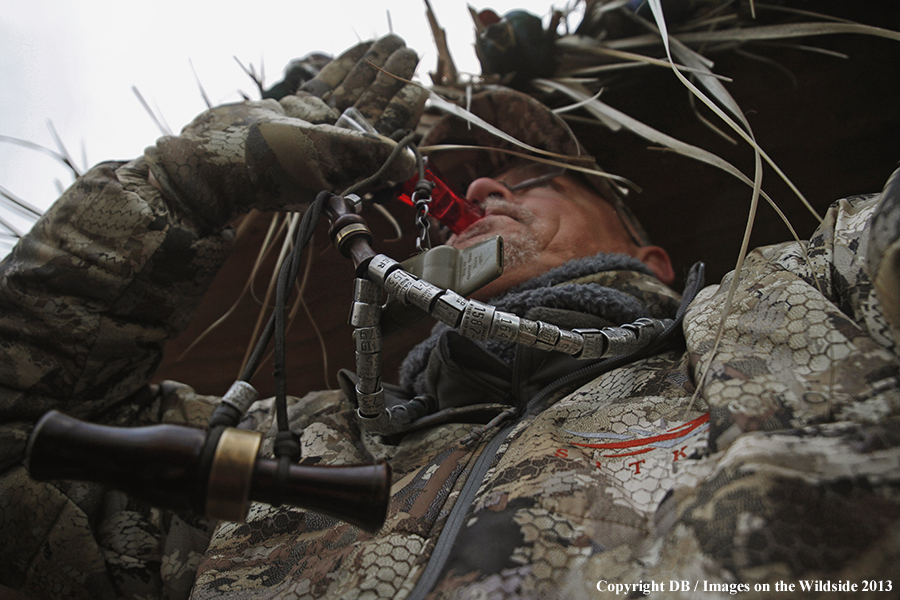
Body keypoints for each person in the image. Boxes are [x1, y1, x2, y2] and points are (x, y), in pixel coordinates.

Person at [1, 31, 899, 600]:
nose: (474, 191)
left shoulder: (805, 298)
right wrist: (183, 186)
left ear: (648, 253)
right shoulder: (298, 446)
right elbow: (23, 449)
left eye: (529, 180)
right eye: (464, 182)